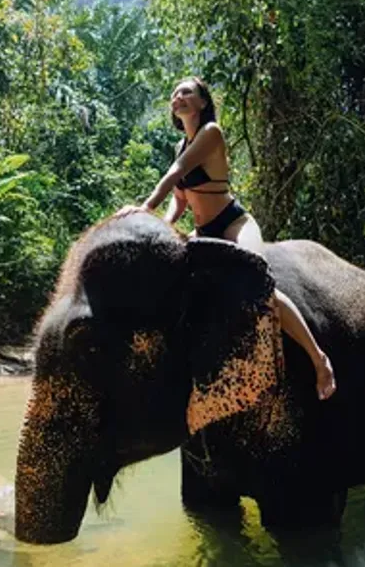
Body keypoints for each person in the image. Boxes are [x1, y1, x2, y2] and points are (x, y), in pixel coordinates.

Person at [117, 77, 337, 400]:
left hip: (233, 223)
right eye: (174, 93)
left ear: (203, 103)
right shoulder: (180, 144)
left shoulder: (210, 133)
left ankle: (319, 360)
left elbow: (176, 173)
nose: (179, 96)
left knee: (261, 289)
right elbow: (179, 199)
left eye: (187, 91)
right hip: (204, 231)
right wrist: (163, 226)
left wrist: (145, 207)